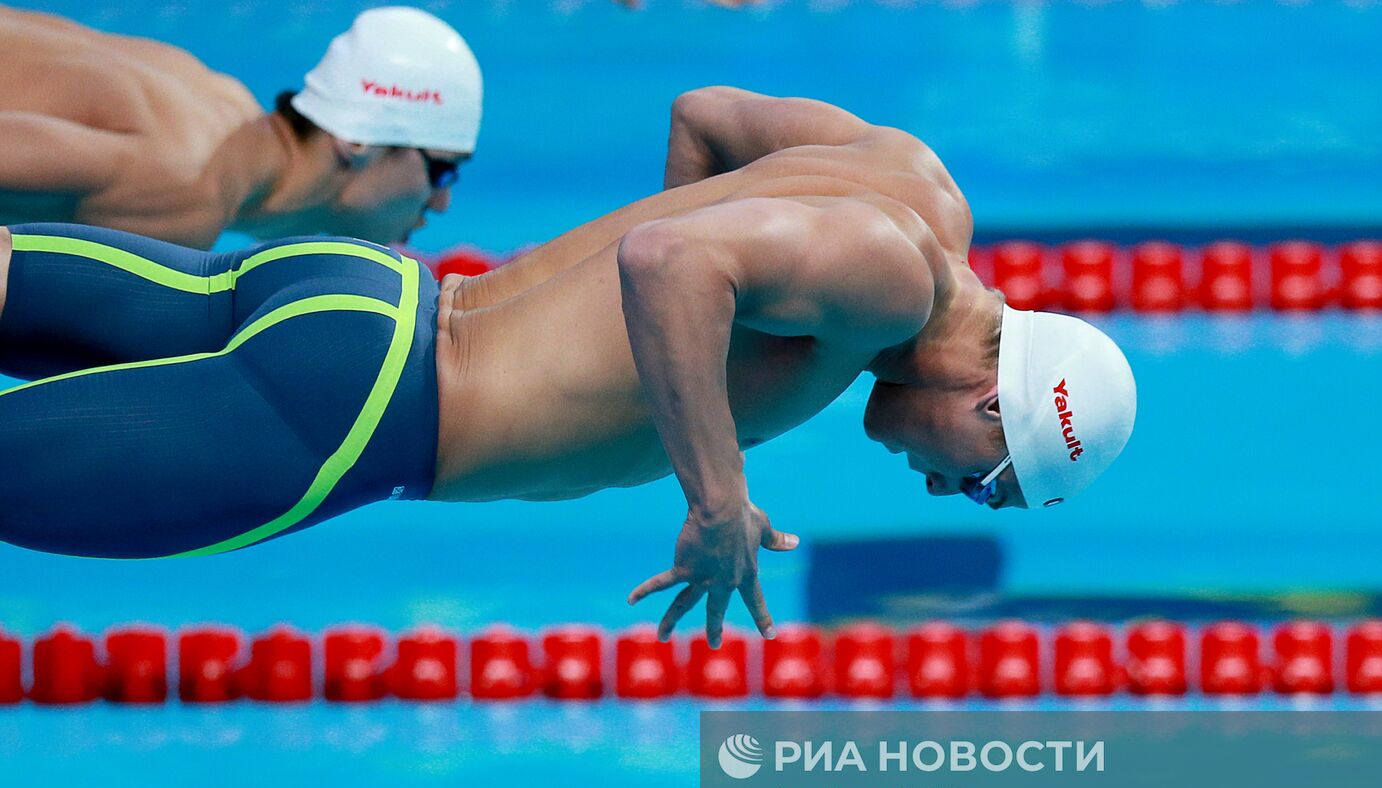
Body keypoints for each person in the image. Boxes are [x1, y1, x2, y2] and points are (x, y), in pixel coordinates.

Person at [0, 87, 1136, 646]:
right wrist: (715, 501)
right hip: (360, 412)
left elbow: (703, 121)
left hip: (360, 293)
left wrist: (590, 339)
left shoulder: (912, 179)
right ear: (994, 407)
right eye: (980, 479)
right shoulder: (888, 283)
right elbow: (669, 259)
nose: (940, 491)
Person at [0, 6, 481, 247]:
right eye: (442, 171)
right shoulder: (187, 184)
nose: (442, 204)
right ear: (357, 141)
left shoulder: (226, 107)